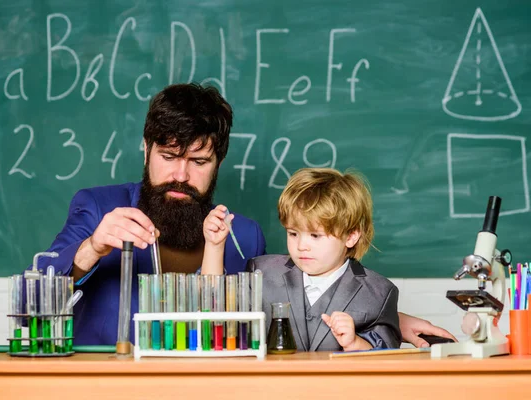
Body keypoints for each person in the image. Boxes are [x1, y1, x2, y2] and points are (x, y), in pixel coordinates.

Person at [28, 83, 454, 347]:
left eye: (198, 161)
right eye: (169, 155)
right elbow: (32, 305)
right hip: (107, 385)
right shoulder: (99, 208)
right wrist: (90, 248)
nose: (180, 174)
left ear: (219, 160)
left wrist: (390, 319)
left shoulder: (243, 236)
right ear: (146, 149)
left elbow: (287, 300)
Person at [202, 168, 401, 351]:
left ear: (351, 236)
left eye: (315, 236)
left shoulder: (378, 292)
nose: (301, 246)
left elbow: (386, 353)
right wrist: (214, 246)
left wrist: (356, 343)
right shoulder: (261, 273)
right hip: (271, 387)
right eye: (293, 233)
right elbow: (215, 317)